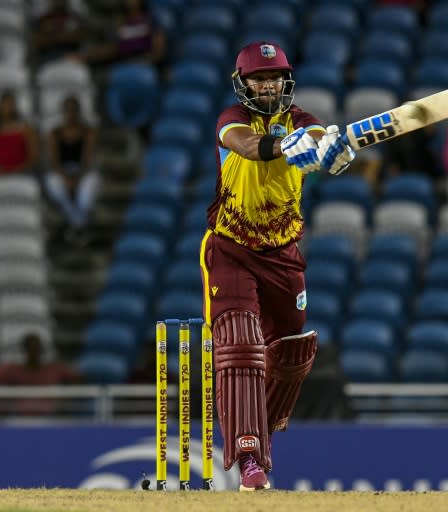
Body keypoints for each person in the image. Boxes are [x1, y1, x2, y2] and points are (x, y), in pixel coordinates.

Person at [200, 41, 355, 491]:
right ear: (243, 84)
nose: (267, 87)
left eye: (274, 79)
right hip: (231, 249)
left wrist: (332, 149)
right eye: (258, 80)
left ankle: (260, 436)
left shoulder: (300, 119)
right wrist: (284, 146)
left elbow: (318, 134)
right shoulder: (231, 120)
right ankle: (249, 457)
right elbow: (246, 146)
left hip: (283, 253)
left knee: (293, 352)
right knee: (241, 344)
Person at [0, 333, 84, 416]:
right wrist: (0, 402)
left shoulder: (54, 369)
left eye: (36, 347)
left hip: (51, 418)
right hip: (18, 419)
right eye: (30, 347)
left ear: (41, 350)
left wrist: (65, 399)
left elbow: (80, 380)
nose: (34, 351)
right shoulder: (12, 370)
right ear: (24, 350)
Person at [44, 95, 99, 240]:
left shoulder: (88, 132)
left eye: (74, 110)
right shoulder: (55, 133)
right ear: (63, 113)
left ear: (79, 112)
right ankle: (80, 225)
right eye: (68, 110)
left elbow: (88, 159)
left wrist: (78, 179)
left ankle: (74, 226)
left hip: (82, 170)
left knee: (85, 196)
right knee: (55, 187)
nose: (71, 113)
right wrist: (66, 178)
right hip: (61, 171)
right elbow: (54, 161)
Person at [72, 0, 164, 67]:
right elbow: (113, 48)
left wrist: (142, 62)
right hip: (121, 64)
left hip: (145, 65)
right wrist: (85, 56)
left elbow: (158, 50)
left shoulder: (151, 20)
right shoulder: (119, 21)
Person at [0, 90, 39, 180]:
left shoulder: (26, 129)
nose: (8, 108)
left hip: (22, 171)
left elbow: (33, 155)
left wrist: (21, 169)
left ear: (15, 107)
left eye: (11, 104)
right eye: (5, 104)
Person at [31, 0, 85, 65]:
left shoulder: (75, 17)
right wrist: (63, 37)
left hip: (74, 57)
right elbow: (37, 41)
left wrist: (54, 37)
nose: (58, 2)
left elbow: (80, 36)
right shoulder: (43, 18)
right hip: (48, 59)